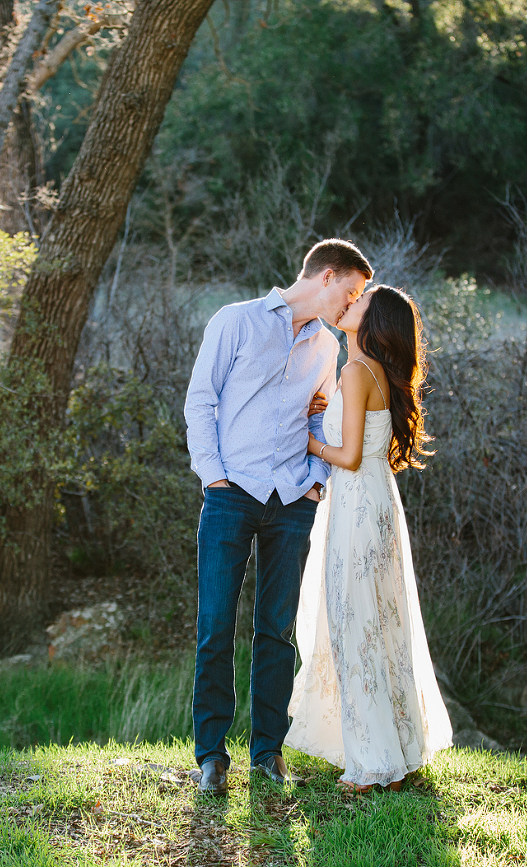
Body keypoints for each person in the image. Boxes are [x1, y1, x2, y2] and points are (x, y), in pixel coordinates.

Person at [184, 239, 373, 795]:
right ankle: (211, 757)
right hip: (230, 493)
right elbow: (201, 400)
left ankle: (267, 752)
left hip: (292, 498)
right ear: (328, 276)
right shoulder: (235, 321)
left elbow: (322, 419)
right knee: (216, 626)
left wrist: (317, 482)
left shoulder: (326, 348)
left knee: (277, 629)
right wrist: (212, 474)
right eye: (352, 291)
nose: (352, 303)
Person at [285, 284, 453, 793]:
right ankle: (396, 747)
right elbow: (359, 441)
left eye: (359, 302)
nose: (348, 305)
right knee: (379, 626)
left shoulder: (356, 371)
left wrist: (311, 440)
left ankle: (373, 763)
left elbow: (349, 455)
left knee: (356, 626)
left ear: (373, 320)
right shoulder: (369, 374)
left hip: (358, 506)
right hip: (377, 502)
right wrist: (329, 406)